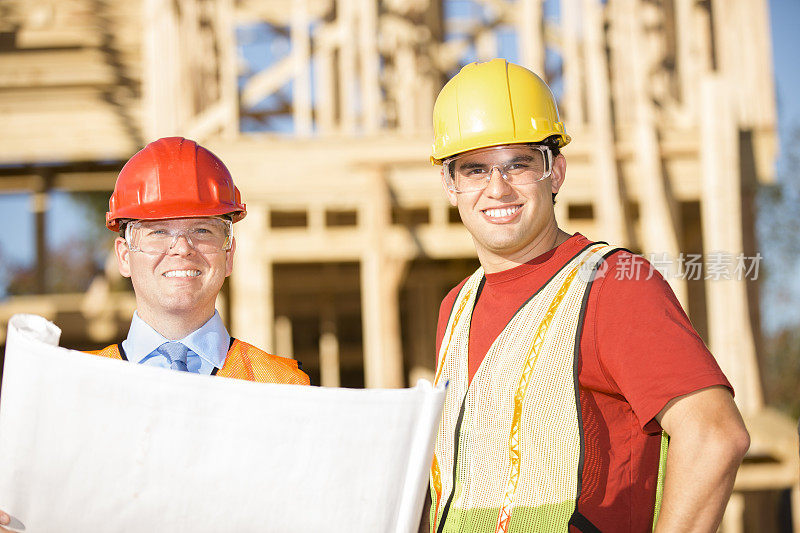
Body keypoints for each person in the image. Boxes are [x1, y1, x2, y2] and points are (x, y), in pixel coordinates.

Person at [427, 59, 749, 533]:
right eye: (475, 169)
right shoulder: (455, 308)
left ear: (555, 172)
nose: (497, 188)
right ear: (450, 185)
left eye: (518, 164)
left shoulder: (613, 284)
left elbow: (714, 435)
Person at [1, 136, 308, 531]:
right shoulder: (71, 391)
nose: (182, 248)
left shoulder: (286, 388)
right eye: (158, 232)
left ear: (228, 256)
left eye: (203, 230)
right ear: (124, 257)